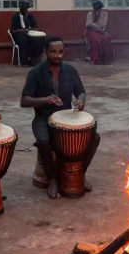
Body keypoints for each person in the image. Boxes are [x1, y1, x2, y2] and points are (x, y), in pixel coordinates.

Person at [21, 36, 99, 200]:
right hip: (43, 117)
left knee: (94, 137)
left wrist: (80, 101)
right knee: (43, 140)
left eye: (60, 52)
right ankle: (51, 180)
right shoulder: (35, 73)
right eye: (53, 52)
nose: (57, 55)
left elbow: (81, 92)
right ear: (45, 53)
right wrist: (45, 100)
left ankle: (80, 174)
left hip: (67, 117)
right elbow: (24, 100)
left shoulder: (70, 71)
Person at [85, 0, 113, 65]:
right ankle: (95, 59)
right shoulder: (90, 13)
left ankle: (104, 59)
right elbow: (88, 24)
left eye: (98, 10)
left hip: (101, 32)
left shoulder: (104, 14)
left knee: (106, 38)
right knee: (94, 39)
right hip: (91, 31)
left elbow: (103, 25)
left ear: (101, 9)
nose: (97, 11)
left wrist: (95, 25)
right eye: (96, 10)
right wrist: (97, 26)